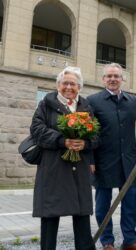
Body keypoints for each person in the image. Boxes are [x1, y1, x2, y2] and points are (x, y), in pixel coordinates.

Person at [30, 66, 96, 250]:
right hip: (53, 167)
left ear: (79, 87)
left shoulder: (85, 107)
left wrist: (85, 144)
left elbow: (96, 137)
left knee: (82, 214)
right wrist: (62, 140)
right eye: (65, 83)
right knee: (51, 214)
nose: (69, 87)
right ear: (58, 85)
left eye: (73, 84)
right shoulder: (46, 104)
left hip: (79, 166)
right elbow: (36, 130)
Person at [87, 63, 136, 250]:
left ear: (123, 79)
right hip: (103, 160)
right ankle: (107, 241)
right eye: (109, 76)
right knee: (103, 204)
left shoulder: (131, 100)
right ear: (103, 79)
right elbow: (88, 133)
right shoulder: (92, 101)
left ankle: (130, 240)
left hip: (129, 160)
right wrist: (90, 159)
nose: (113, 79)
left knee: (130, 201)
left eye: (116, 76)